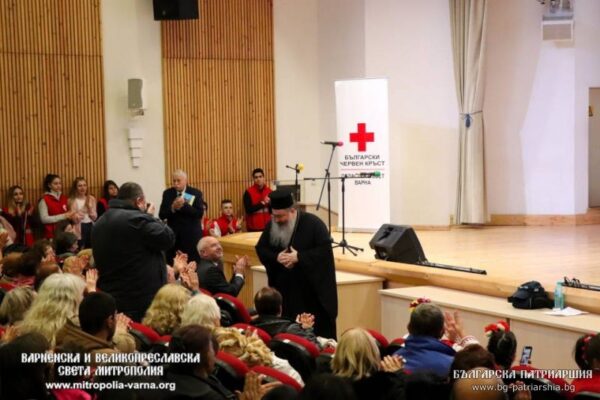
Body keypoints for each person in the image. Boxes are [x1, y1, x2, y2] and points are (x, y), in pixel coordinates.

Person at [255, 189, 337, 339]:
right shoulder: (273, 225)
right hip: (285, 295)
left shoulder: (314, 224)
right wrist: (277, 257)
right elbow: (261, 249)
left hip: (310, 296)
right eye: (274, 216)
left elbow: (324, 252)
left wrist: (299, 257)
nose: (277, 220)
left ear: (292, 211)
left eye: (280, 216)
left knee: (313, 339)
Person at [92, 182, 175, 322]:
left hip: (112, 295)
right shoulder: (138, 220)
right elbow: (168, 238)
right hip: (139, 299)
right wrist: (150, 216)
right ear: (139, 201)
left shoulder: (100, 221)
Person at [251, 286, 320, 348]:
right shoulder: (291, 329)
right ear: (280, 308)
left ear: (256, 309)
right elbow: (315, 348)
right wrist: (307, 329)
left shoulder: (250, 328)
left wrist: (297, 327)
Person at [159, 169, 204, 262]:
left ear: (185, 181)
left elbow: (199, 214)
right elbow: (162, 215)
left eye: (178, 181)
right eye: (174, 181)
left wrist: (185, 205)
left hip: (191, 238)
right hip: (174, 238)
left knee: (192, 265)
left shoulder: (195, 193)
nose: (176, 183)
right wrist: (172, 208)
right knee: (173, 264)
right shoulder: (168, 193)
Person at [38, 174, 76, 239]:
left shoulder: (64, 198)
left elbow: (68, 215)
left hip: (65, 233)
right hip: (52, 234)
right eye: (55, 183)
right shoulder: (44, 200)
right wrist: (63, 216)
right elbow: (44, 219)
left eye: (60, 183)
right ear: (49, 185)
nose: (58, 185)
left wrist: (72, 216)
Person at [68, 177, 97, 249]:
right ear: (75, 188)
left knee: (91, 248)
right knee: (80, 248)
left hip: (91, 225)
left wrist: (90, 208)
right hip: (79, 227)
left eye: (84, 185)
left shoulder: (91, 198)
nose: (83, 188)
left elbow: (95, 217)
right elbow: (74, 219)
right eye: (80, 186)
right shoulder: (71, 200)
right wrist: (84, 209)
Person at [243, 168, 272, 232]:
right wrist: (263, 203)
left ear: (263, 178)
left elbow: (271, 210)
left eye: (260, 176)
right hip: (253, 228)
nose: (258, 179)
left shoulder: (269, 191)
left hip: (267, 227)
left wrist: (271, 204)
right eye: (256, 177)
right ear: (253, 179)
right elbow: (248, 210)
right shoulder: (248, 192)